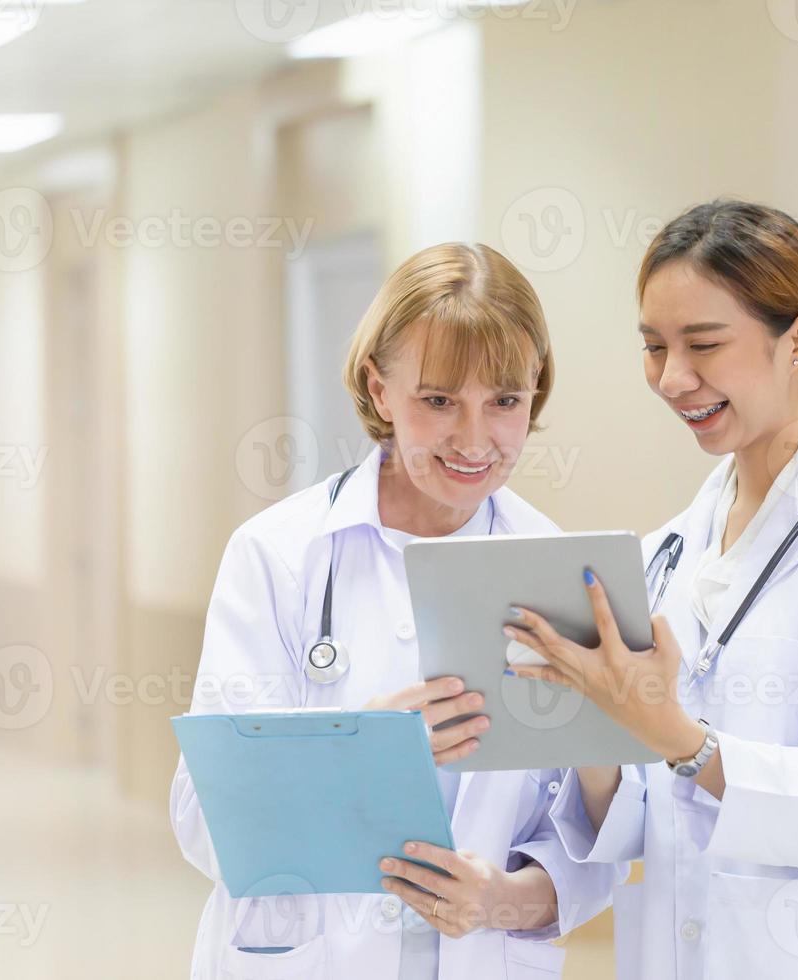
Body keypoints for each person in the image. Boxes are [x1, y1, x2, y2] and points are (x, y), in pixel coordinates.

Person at [507, 200, 798, 979]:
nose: (672, 378)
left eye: (704, 345)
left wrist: (677, 737)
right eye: (654, 347)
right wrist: (596, 732)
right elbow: (640, 823)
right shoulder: (664, 553)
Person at [170, 242, 618, 979]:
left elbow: (598, 844)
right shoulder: (280, 555)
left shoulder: (561, 573)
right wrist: (356, 755)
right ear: (379, 390)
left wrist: (501, 900)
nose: (475, 439)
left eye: (505, 400)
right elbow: (203, 819)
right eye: (438, 400)